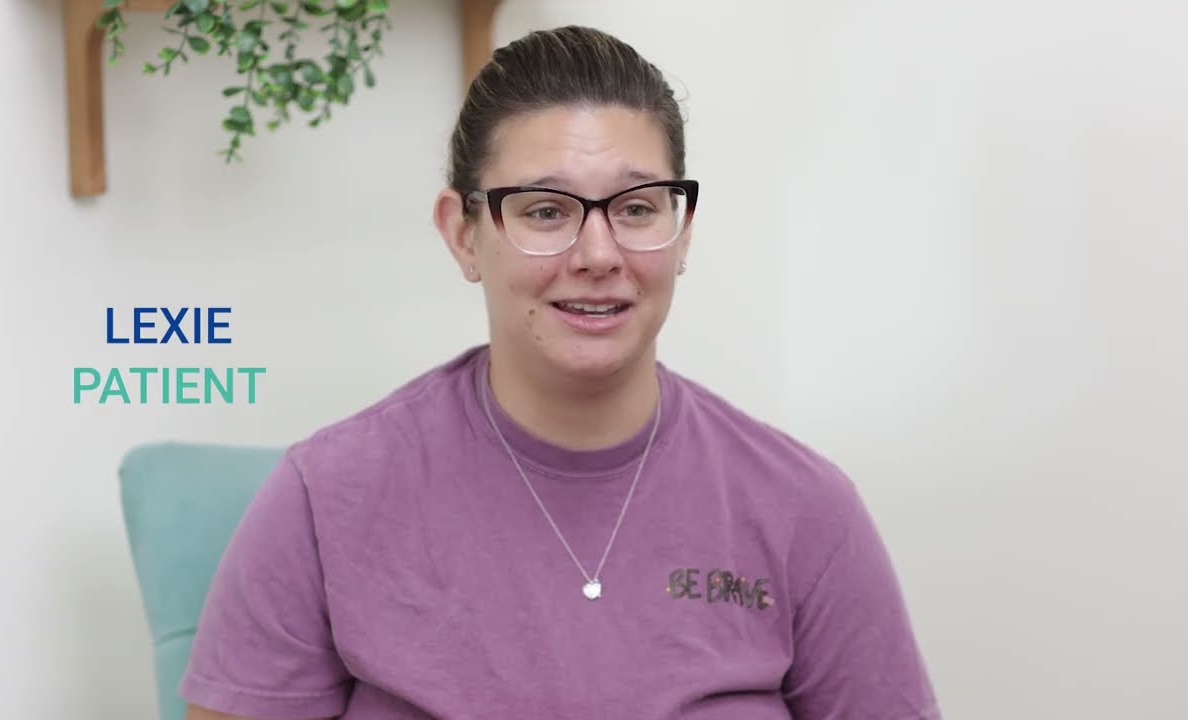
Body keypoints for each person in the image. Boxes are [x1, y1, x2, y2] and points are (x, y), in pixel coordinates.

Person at [180, 25, 940, 720]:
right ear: (465, 235)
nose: (599, 254)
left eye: (638, 208)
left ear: (681, 234)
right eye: (546, 211)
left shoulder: (806, 510)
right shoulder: (326, 497)